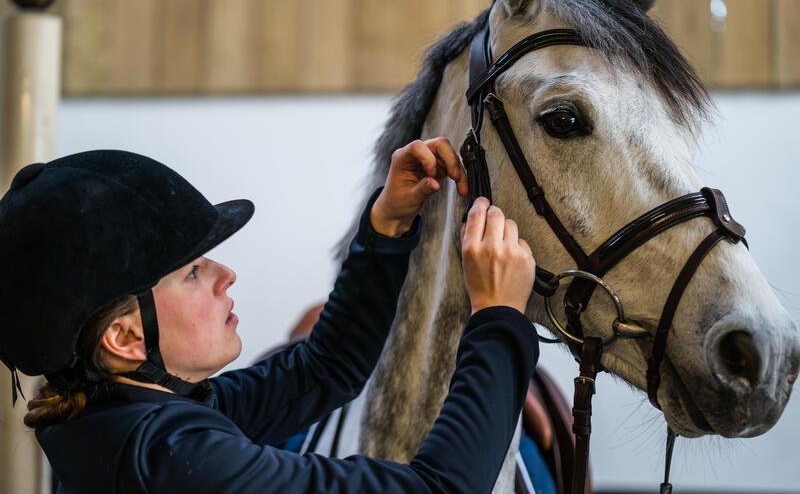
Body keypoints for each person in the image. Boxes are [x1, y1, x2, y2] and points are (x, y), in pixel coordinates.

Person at [0, 138, 539, 493]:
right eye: (191, 272)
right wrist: (496, 316)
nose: (224, 275)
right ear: (125, 335)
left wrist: (388, 224)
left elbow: (325, 369)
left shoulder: (122, 417)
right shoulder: (175, 458)